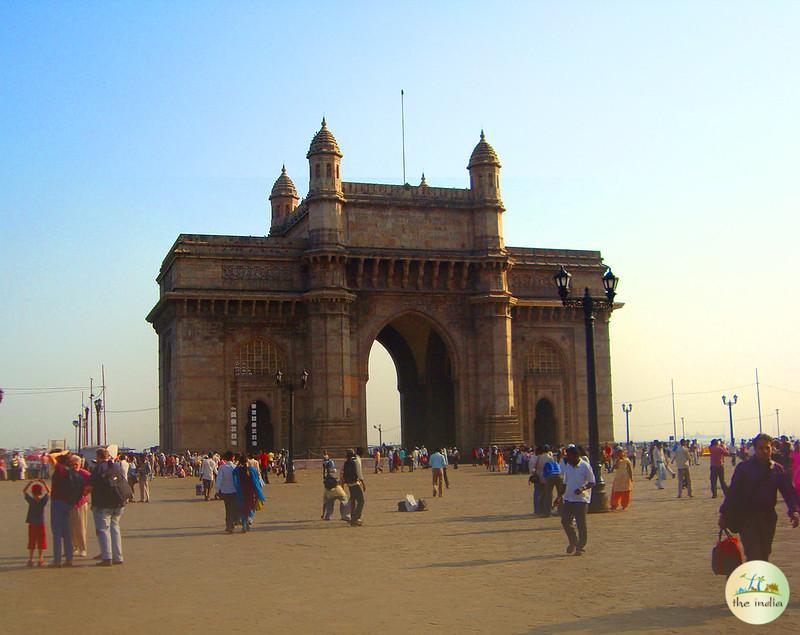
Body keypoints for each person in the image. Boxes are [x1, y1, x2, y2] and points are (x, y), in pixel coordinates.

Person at [719, 434, 800, 562]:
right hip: (747, 518)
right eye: (761, 448)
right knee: (753, 555)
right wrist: (724, 514)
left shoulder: (777, 470)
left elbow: (789, 492)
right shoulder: (743, 468)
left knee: (764, 553)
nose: (765, 451)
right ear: (755, 449)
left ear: (771, 448)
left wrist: (794, 511)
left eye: (767, 448)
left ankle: (759, 579)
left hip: (768, 519)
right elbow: (733, 492)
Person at [89, 447, 128, 566]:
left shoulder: (99, 468)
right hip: (119, 502)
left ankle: (107, 557)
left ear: (98, 456)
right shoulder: (115, 466)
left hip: (104, 503)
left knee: (103, 529)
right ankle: (118, 557)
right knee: (115, 528)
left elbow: (90, 485)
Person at [556, 446, 595, 555]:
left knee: (581, 523)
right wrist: (559, 496)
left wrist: (582, 489)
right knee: (565, 521)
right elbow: (565, 483)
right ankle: (573, 541)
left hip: (581, 500)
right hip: (568, 498)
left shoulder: (585, 466)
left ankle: (580, 546)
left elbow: (592, 482)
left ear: (576, 456)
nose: (567, 458)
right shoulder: (568, 466)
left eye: (569, 456)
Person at [233, 455, 265, 532]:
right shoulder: (252, 470)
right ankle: (248, 520)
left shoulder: (237, 470)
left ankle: (244, 524)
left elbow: (234, 481)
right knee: (251, 508)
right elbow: (256, 482)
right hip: (251, 492)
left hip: (241, 492)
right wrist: (259, 493)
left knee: (243, 508)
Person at [23, 480, 50, 567]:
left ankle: (30, 559)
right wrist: (44, 483)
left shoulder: (31, 501)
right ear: (41, 492)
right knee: (41, 541)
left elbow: (24, 491)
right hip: (40, 523)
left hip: (32, 522)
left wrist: (30, 483)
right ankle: (40, 559)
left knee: (32, 541)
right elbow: (49, 492)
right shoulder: (42, 501)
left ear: (32, 492)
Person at [69, 454, 90, 557]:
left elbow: (92, 483)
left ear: (80, 464)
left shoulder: (84, 473)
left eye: (76, 464)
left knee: (81, 527)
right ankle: (74, 547)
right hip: (70, 503)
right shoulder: (68, 473)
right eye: (72, 464)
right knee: (71, 528)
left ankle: (83, 548)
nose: (74, 466)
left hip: (80, 503)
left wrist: (86, 492)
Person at [342, 449, 365, 526]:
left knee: (353, 501)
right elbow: (359, 472)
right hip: (355, 483)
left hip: (349, 484)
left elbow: (342, 474)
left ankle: (353, 519)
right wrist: (363, 483)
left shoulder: (345, 463)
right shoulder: (354, 462)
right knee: (361, 501)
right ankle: (355, 518)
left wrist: (343, 484)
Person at [216, 451, 238, 533]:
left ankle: (229, 526)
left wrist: (217, 490)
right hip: (234, 491)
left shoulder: (222, 467)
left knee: (228, 509)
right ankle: (232, 523)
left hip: (225, 491)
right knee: (233, 508)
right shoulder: (235, 467)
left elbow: (219, 479)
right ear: (233, 457)